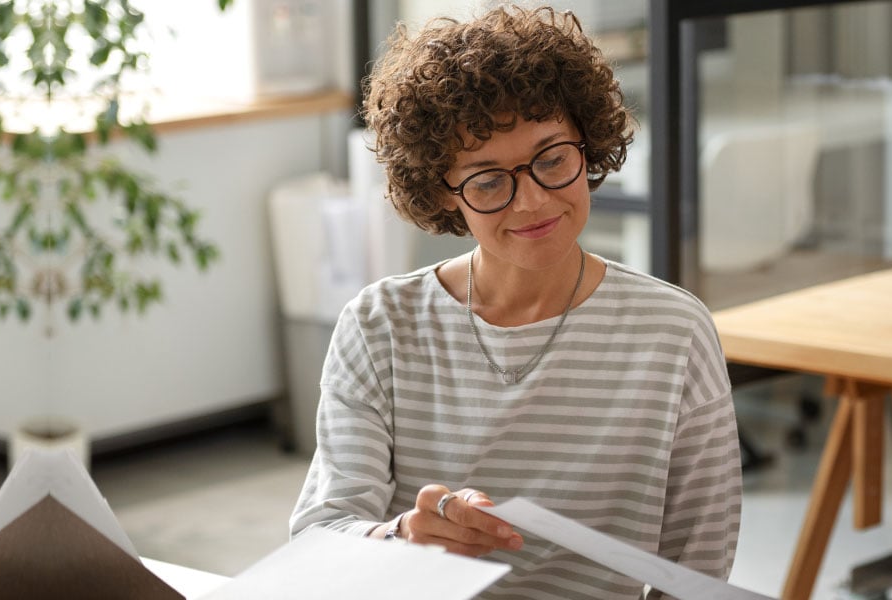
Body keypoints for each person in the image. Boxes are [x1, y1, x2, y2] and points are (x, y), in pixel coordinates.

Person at [288, 6, 742, 599]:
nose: (530, 202)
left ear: (589, 145)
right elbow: (318, 542)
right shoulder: (380, 328)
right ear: (443, 192)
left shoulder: (674, 332)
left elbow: (697, 575)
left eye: (552, 160)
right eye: (488, 180)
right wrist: (403, 539)